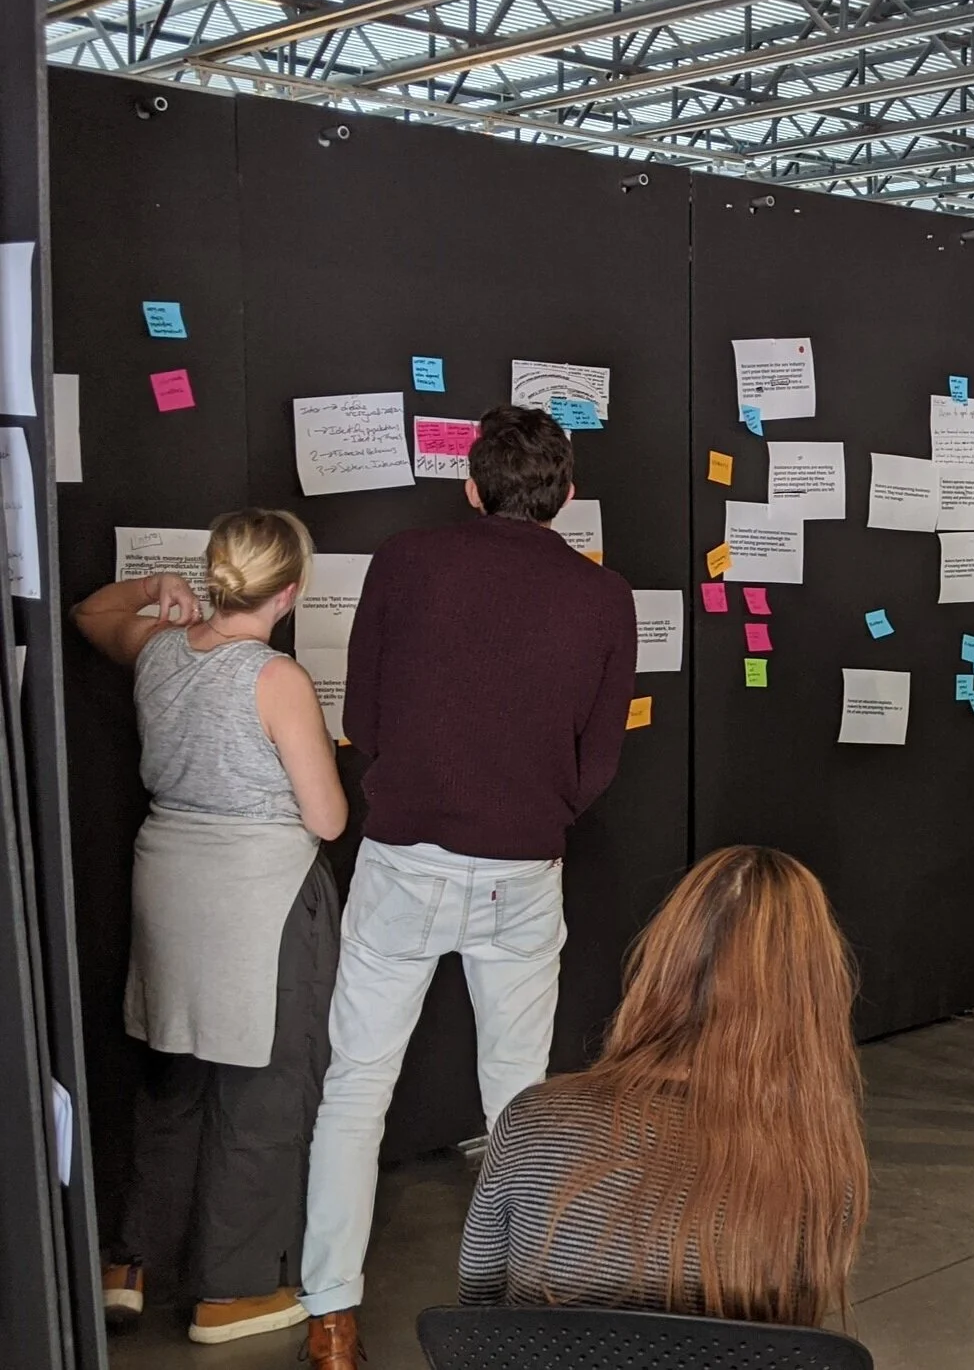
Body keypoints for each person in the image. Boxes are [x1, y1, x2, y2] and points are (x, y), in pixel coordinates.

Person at [300, 406, 638, 1369]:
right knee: (518, 1098)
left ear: (470, 485)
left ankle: (331, 1319)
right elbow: (599, 759)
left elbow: (364, 716)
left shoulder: (405, 561)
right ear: (566, 495)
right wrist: (539, 807)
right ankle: (526, 1299)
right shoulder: (603, 595)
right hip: (522, 866)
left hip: (404, 855)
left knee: (355, 1089)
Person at [74, 511, 349, 1346]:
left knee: (173, 1077)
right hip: (258, 898)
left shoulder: (158, 648)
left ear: (214, 574)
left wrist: (155, 589)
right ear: (289, 592)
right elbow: (327, 819)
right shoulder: (277, 678)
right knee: (262, 1091)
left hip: (167, 883)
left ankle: (131, 1264)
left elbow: (89, 613)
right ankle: (233, 1291)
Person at [458, 846, 867, 1322]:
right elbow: (788, 1338)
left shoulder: (532, 1119)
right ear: (815, 996)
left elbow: (477, 1315)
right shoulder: (820, 1162)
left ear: (661, 962)